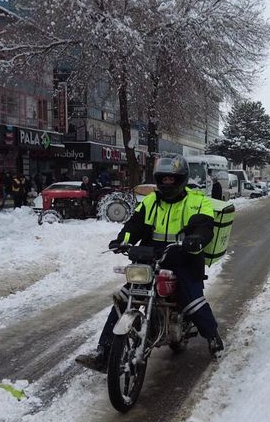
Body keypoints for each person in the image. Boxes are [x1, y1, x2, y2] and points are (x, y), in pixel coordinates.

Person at [76, 155, 224, 371]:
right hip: (151, 259)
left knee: (193, 302)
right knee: (124, 298)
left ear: (181, 179)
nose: (167, 183)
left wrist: (196, 238)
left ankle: (213, 338)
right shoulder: (151, 201)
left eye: (171, 179)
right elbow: (135, 225)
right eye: (163, 179)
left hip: (184, 259)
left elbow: (205, 226)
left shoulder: (198, 201)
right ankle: (104, 352)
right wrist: (123, 240)